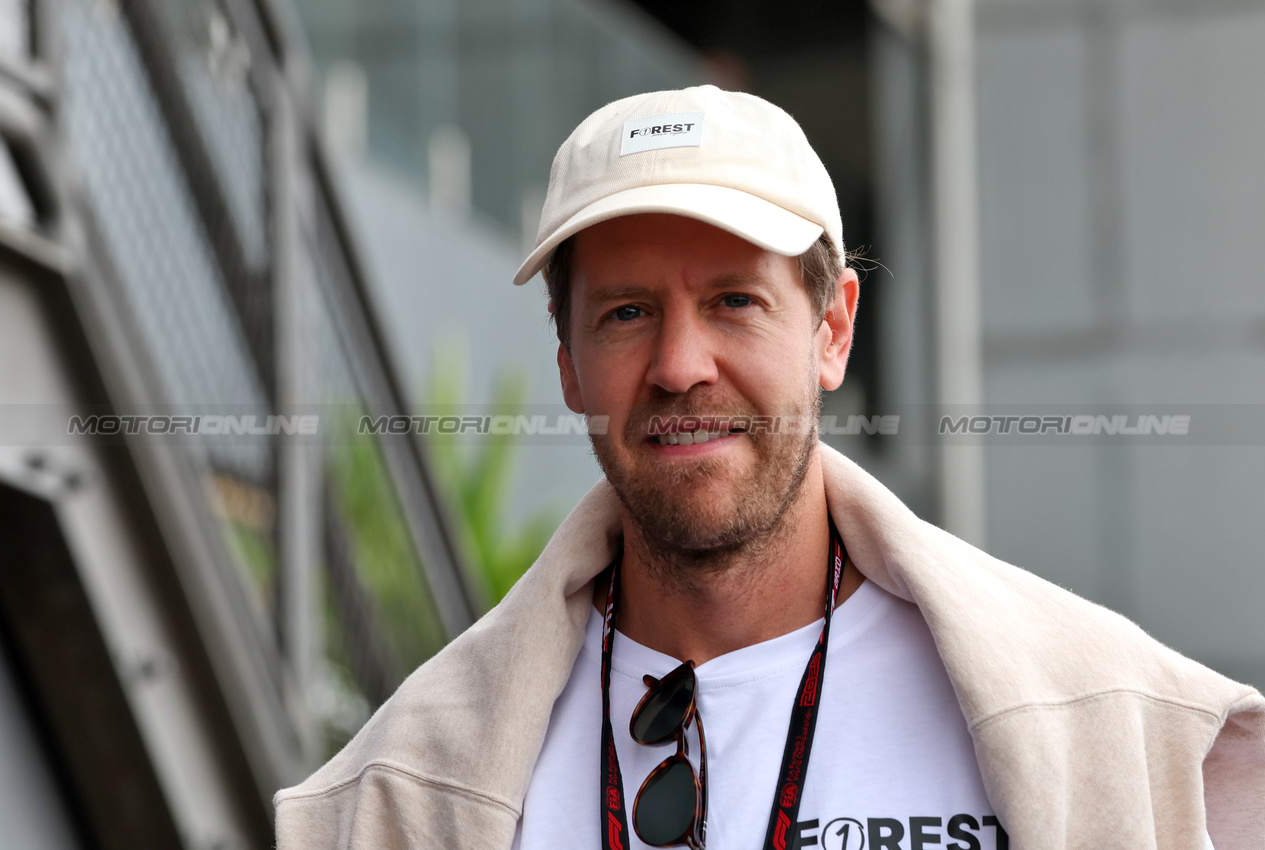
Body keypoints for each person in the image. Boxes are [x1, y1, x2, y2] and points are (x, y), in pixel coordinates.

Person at [274, 86, 1264, 849]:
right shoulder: (401, 785)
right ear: (568, 361)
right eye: (626, 313)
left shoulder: (1115, 723)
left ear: (831, 333)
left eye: (735, 302)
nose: (677, 365)